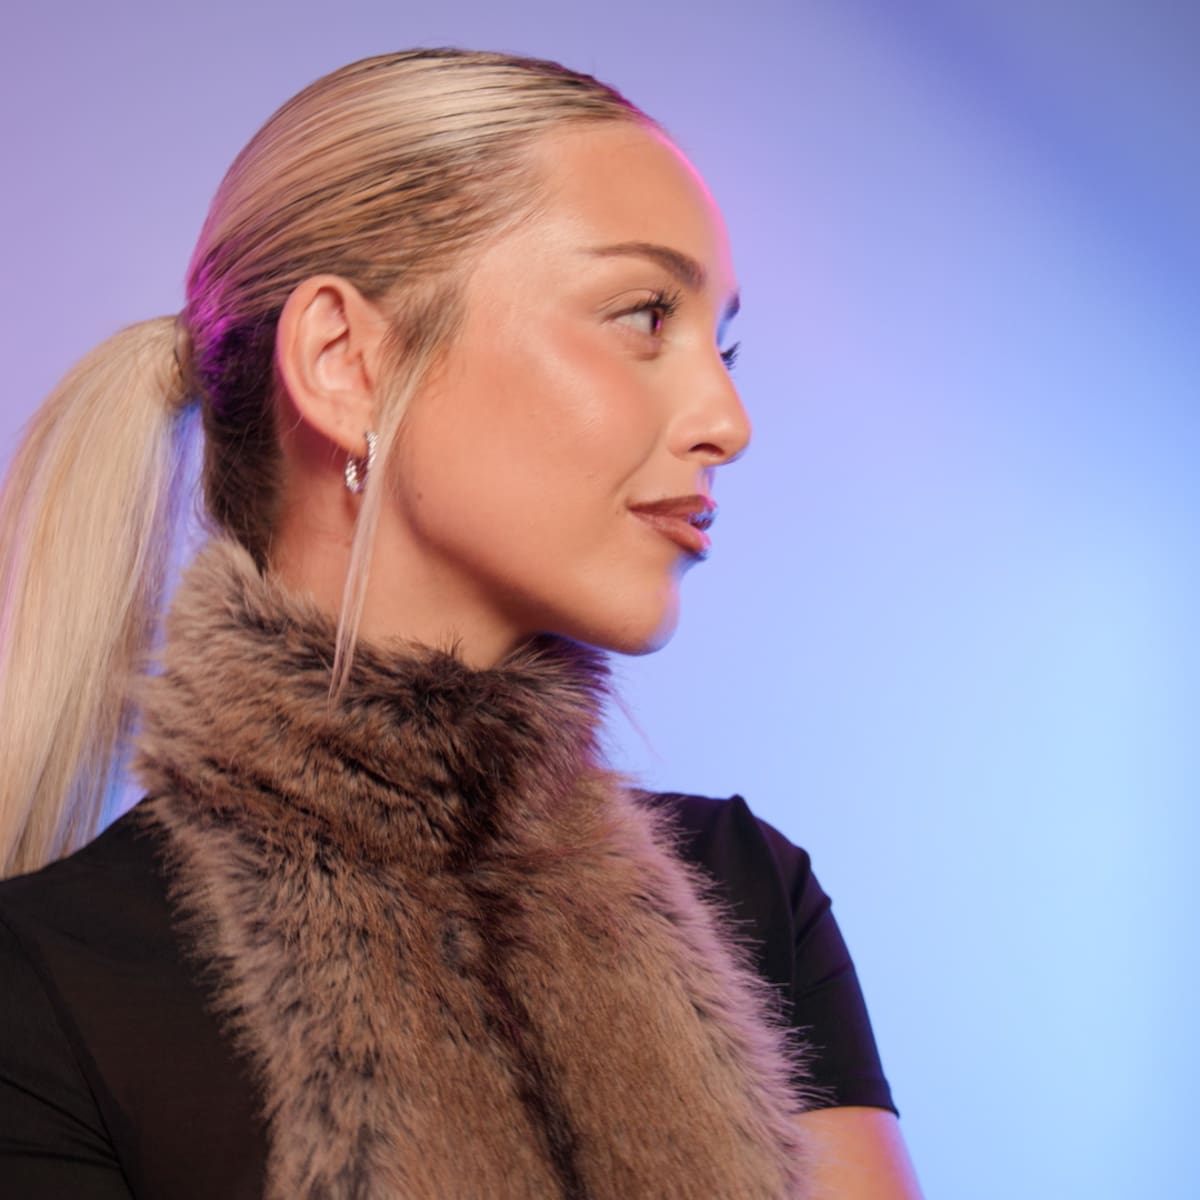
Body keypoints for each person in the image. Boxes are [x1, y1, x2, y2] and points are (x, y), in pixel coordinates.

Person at [0, 49, 921, 1198]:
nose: (726, 420)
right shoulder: (44, 993)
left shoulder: (747, 897)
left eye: (720, 346)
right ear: (346, 363)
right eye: (644, 314)